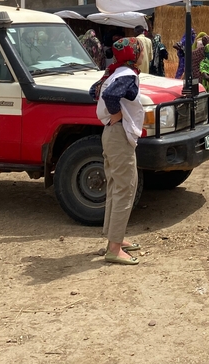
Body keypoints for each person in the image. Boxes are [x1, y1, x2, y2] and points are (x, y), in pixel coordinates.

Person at [89, 38, 144, 265]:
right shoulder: (127, 76)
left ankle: (114, 238)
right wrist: (117, 114)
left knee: (115, 186)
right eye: (140, 50)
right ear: (134, 54)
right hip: (119, 134)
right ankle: (114, 247)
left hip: (110, 134)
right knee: (125, 187)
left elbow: (94, 92)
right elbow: (111, 96)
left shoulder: (113, 73)